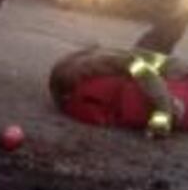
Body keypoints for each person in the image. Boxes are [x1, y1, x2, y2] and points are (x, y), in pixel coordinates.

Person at [50, 46, 188, 139]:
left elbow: (149, 79)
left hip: (177, 74)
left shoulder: (119, 61)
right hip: (162, 74)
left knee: (165, 100)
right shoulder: (88, 66)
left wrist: (163, 111)